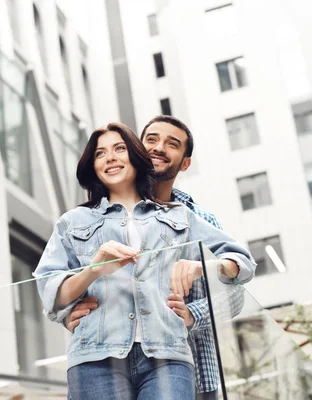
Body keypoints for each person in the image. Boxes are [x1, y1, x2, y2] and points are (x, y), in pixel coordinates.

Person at [34, 122, 255, 400]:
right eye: (100, 154)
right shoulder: (71, 222)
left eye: (119, 149)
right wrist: (92, 273)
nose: (111, 157)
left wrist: (203, 268)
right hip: (95, 354)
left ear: (136, 157)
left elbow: (242, 263)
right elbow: (50, 293)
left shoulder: (180, 216)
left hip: (168, 353)